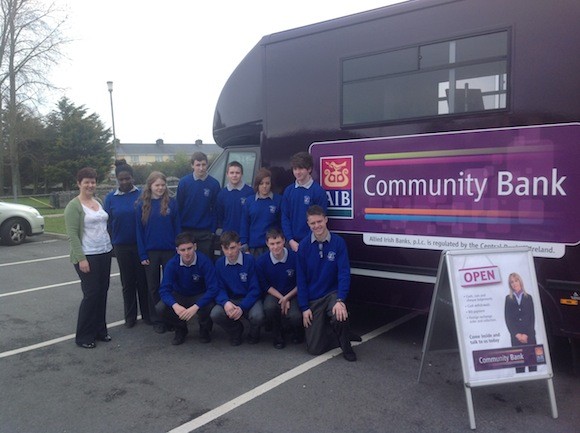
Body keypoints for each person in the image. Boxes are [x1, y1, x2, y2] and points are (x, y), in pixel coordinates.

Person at [296, 205, 356, 361]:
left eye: (319, 221)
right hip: (313, 297)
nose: (317, 226)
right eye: (313, 223)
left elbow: (344, 273)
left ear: (326, 220)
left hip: (332, 294)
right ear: (308, 224)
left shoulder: (338, 243)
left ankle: (346, 345)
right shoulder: (303, 246)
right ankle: (333, 332)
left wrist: (340, 300)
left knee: (339, 314)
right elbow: (301, 279)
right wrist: (304, 308)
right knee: (314, 349)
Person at [64, 167, 113, 349]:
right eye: (86, 182)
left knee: (102, 293)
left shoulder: (98, 201)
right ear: (79, 184)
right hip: (87, 256)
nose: (90, 185)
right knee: (91, 295)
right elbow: (72, 235)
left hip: (104, 253)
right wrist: (81, 258)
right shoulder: (74, 206)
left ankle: (100, 330)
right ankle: (84, 335)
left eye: (93, 181)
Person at [104, 161, 149, 328]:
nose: (124, 182)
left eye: (127, 178)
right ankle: (130, 316)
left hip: (140, 245)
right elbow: (107, 223)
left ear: (133, 178)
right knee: (127, 282)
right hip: (121, 246)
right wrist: (112, 243)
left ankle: (147, 314)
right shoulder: (110, 198)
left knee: (142, 281)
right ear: (117, 180)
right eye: (121, 179)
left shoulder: (142, 194)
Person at [136, 171, 180, 334]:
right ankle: (158, 319)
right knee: (153, 286)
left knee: (170, 285)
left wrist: (179, 250)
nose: (160, 188)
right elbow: (138, 231)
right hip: (151, 252)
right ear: (150, 186)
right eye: (157, 185)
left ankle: (171, 317)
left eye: (163, 185)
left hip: (170, 251)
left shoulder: (172, 203)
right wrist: (142, 254)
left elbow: (178, 228)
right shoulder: (141, 205)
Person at [156, 232, 219, 345]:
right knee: (161, 308)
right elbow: (164, 290)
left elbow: (213, 288)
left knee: (210, 305)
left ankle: (204, 329)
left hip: (199, 294)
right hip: (180, 295)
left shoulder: (205, 262)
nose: (186, 253)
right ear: (177, 250)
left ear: (195, 246)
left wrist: (196, 307)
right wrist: (175, 306)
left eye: (189, 248)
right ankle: (181, 329)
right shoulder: (172, 264)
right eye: (183, 250)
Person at [210, 231, 264, 346]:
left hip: (249, 299)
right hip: (231, 300)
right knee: (215, 314)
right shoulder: (219, 264)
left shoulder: (250, 260)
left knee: (258, 316)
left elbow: (255, 289)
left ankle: (254, 334)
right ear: (222, 248)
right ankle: (236, 330)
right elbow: (218, 288)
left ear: (239, 245)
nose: (229, 252)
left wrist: (242, 307)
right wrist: (225, 303)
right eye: (226, 249)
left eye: (233, 248)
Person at [256, 227, 303, 349]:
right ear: (267, 243)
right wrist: (282, 298)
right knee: (270, 308)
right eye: (272, 244)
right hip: (274, 294)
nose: (275, 247)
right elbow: (266, 286)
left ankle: (297, 331)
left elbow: (301, 282)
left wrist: (287, 298)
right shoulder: (261, 261)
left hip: (293, 293)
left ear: (284, 241)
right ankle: (277, 334)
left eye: (278, 243)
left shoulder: (295, 257)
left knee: (295, 317)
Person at [176, 151, 221, 258]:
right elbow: (178, 207)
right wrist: (179, 231)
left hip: (205, 232)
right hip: (187, 230)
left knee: (205, 262)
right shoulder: (184, 182)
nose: (201, 168)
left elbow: (216, 209)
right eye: (198, 165)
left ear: (207, 164)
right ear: (192, 165)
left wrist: (213, 230)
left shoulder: (214, 184)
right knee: (188, 262)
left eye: (204, 165)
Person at [282, 151, 328, 252]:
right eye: (295, 169)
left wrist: (305, 242)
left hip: (311, 243)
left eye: (301, 168)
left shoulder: (318, 191)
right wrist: (290, 240)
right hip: (291, 244)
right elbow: (285, 217)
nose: (297, 172)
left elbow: (320, 220)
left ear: (309, 169)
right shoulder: (288, 191)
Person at [240, 168, 282, 257]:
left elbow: (282, 224)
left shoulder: (279, 200)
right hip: (254, 248)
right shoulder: (249, 201)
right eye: (261, 183)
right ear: (257, 185)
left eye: (267, 183)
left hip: (273, 247)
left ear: (271, 184)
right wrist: (245, 246)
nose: (264, 186)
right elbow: (244, 224)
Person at [504, 272, 537, 373]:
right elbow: (508, 319)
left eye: (516, 281)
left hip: (529, 336)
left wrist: (527, 334)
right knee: (519, 364)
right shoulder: (508, 299)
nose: (514, 284)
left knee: (532, 363)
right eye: (512, 282)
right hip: (516, 336)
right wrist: (516, 334)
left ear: (520, 281)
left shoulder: (529, 297)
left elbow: (532, 318)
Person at [216, 161, 254, 235]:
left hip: (245, 235)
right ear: (227, 174)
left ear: (242, 174)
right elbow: (219, 216)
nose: (234, 175)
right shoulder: (222, 194)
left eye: (237, 173)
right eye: (232, 173)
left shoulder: (250, 192)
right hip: (227, 235)